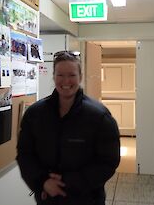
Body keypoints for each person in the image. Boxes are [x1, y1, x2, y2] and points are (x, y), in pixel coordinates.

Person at [17, 51, 120, 205]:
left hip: (86, 199)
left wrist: (67, 182)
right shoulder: (35, 114)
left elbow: (108, 162)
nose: (66, 81)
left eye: (72, 75)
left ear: (80, 77)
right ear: (53, 76)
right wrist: (43, 182)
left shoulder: (99, 117)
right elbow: (25, 155)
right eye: (60, 75)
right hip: (47, 199)